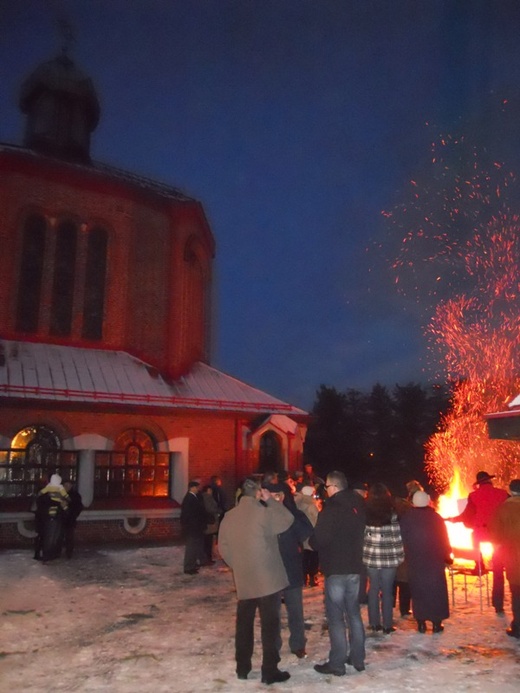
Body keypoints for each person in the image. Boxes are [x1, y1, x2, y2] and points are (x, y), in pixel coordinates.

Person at [218, 477, 294, 685]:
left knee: (244, 625)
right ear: (258, 493)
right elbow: (288, 520)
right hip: (268, 578)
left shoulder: (229, 517)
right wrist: (271, 500)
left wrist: (239, 565)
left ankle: (242, 667)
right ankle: (269, 670)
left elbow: (223, 547)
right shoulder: (264, 513)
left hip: (244, 578)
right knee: (270, 626)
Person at [309, 470, 366, 676]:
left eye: (326, 487)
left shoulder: (331, 508)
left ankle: (337, 663)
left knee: (336, 618)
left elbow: (320, 539)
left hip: (336, 569)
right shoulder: (359, 504)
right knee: (354, 614)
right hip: (356, 568)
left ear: (333, 487)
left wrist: (312, 541)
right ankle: (358, 659)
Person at [447, 470, 509, 613]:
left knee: (474, 538)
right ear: (490, 481)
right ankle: (498, 604)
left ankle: (479, 564)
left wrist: (453, 519)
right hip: (498, 534)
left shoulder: (473, 496)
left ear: (478, 484)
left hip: (481, 533)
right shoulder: (502, 494)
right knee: (498, 569)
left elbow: (466, 515)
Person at [264, 481, 313, 659]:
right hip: (270, 569)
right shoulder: (263, 514)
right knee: (272, 611)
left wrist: (285, 513)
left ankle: (298, 643)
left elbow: (305, 532)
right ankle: (273, 644)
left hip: (291, 566)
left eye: (277, 496)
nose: (274, 500)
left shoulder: (293, 514)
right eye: (271, 496)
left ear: (284, 497)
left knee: (295, 609)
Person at [400, 490, 452, 633]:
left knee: (419, 591)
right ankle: (436, 623)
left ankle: (421, 622)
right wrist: (447, 555)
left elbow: (402, 539)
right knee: (436, 591)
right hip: (434, 562)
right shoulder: (436, 518)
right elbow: (444, 539)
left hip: (415, 561)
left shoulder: (407, 518)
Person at [363, 483, 404, 634]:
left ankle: (374, 623)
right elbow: (397, 538)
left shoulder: (365, 514)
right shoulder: (392, 515)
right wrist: (400, 556)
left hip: (371, 558)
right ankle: (387, 624)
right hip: (389, 559)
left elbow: (362, 538)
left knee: (373, 589)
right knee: (387, 591)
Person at [489, 479, 520, 639]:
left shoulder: (502, 509)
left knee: (517, 592)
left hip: (514, 559)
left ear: (510, 491)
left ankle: (518, 627)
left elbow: (495, 536)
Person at [37, 473, 70, 562]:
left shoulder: (47, 491)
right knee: (50, 537)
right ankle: (47, 555)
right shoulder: (52, 494)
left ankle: (48, 554)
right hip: (51, 517)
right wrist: (63, 504)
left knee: (52, 537)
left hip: (55, 516)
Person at [180, 480, 207, 575]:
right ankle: (188, 567)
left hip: (195, 527)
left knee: (194, 547)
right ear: (192, 488)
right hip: (192, 528)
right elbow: (189, 515)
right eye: (197, 487)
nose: (198, 489)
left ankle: (192, 564)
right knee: (191, 548)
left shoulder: (193, 498)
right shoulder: (190, 498)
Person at [295, 485, 320, 587]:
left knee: (304, 557)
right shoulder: (311, 506)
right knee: (313, 557)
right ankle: (312, 578)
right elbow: (317, 521)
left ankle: (304, 578)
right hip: (312, 535)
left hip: (302, 535)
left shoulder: (298, 504)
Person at [62, 481, 83, 558]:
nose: (66, 487)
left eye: (68, 485)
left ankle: (69, 553)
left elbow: (78, 507)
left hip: (70, 519)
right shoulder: (60, 494)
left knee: (69, 536)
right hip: (60, 519)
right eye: (65, 485)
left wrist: (72, 514)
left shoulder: (75, 495)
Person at [202, 485, 220, 564]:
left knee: (208, 541)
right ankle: (207, 558)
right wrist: (217, 511)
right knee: (208, 541)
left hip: (208, 523)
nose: (211, 492)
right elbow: (210, 508)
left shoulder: (204, 497)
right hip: (210, 523)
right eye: (210, 490)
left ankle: (207, 557)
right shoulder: (207, 498)